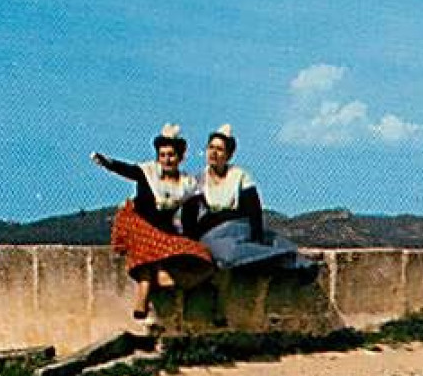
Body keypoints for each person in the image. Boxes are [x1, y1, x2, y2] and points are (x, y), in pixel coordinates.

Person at [91, 124, 213, 319]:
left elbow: (191, 215)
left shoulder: (187, 184)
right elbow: (127, 170)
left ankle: (154, 279)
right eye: (162, 155)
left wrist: (191, 239)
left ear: (180, 157)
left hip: (163, 227)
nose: (166, 159)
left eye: (171, 155)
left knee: (198, 254)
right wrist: (108, 163)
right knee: (147, 239)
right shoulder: (148, 172)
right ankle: (144, 290)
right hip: (136, 220)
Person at [182, 124, 310, 271]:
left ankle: (292, 260)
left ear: (228, 155)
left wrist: (256, 238)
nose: (213, 153)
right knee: (226, 253)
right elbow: (189, 219)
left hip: (238, 227)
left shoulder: (240, 176)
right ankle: (279, 258)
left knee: (270, 239)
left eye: (219, 149)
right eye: (211, 148)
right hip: (213, 233)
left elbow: (254, 210)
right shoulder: (197, 180)